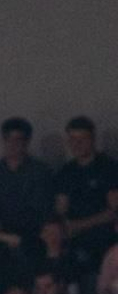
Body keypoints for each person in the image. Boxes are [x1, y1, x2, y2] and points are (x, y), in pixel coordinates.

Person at [52, 115, 118, 279]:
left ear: (93, 139)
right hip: (76, 246)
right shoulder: (65, 172)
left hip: (105, 243)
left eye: (82, 139)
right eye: (73, 139)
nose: (77, 144)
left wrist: (81, 225)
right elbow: (61, 208)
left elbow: (114, 210)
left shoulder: (109, 168)